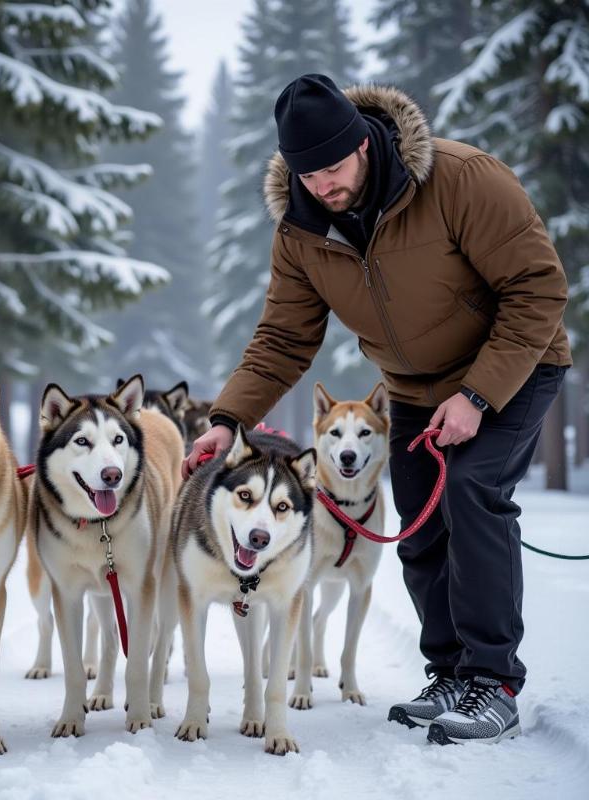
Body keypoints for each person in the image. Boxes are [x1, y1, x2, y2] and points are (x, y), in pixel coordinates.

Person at [183, 74, 571, 745]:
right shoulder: (302, 231)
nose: (323, 186)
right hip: (417, 391)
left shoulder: (461, 179)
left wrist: (478, 395)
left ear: (365, 144)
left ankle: (493, 681)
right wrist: (227, 420)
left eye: (333, 168)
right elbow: (282, 339)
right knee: (419, 528)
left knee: (473, 491)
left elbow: (539, 288)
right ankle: (449, 671)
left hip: (515, 365)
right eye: (307, 175)